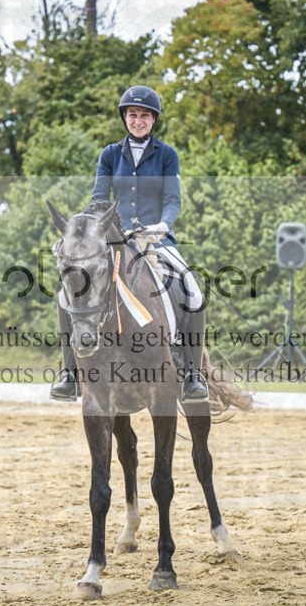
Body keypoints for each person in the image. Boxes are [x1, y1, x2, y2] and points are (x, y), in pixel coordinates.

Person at [50, 85, 208, 402]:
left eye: (144, 116)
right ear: (125, 117)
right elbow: (98, 200)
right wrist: (87, 228)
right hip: (115, 241)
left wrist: (162, 225)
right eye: (133, 115)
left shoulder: (167, 155)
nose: (138, 121)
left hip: (155, 239)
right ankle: (69, 373)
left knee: (192, 289)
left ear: (153, 120)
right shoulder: (109, 154)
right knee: (65, 296)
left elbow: (173, 200)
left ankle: (192, 373)